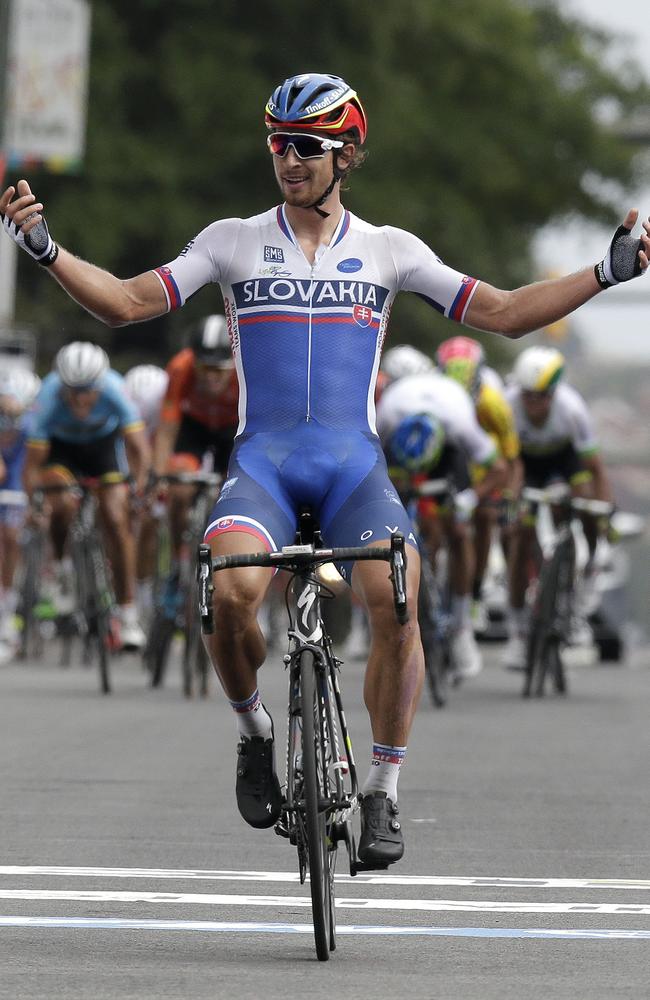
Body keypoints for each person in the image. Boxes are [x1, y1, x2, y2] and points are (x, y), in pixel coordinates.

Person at [1, 72, 647, 866]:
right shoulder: (231, 240)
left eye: (306, 146)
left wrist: (605, 273)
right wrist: (46, 250)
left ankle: (383, 790)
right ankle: (253, 732)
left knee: (400, 597)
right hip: (263, 468)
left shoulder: (389, 251)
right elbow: (128, 304)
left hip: (353, 472)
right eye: (277, 144)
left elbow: (506, 313)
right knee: (229, 591)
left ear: (348, 154)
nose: (289, 160)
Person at [376, 368, 507, 679]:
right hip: (401, 448)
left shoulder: (459, 425)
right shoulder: (386, 420)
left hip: (447, 454)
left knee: (459, 532)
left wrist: (471, 498)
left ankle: (462, 626)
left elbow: (498, 469)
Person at [21, 342, 151, 650]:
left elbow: (139, 451)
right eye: (73, 392)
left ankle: (128, 614)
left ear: (100, 384)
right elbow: (32, 467)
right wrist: (35, 504)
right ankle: (62, 566)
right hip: (62, 451)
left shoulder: (116, 391)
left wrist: (138, 491)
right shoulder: (49, 397)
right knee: (60, 501)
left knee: (117, 520)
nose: (80, 400)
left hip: (103, 449)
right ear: (62, 386)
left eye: (87, 391)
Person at [502, 345, 614, 668]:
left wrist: (603, 512)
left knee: (585, 504)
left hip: (565, 462)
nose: (532, 403)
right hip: (525, 464)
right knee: (519, 535)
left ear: (553, 393)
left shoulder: (572, 410)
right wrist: (511, 501)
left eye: (540, 396)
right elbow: (510, 466)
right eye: (527, 395)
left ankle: (588, 570)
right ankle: (518, 632)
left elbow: (596, 468)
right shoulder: (509, 406)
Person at [435, 335, 521, 632]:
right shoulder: (435, 397)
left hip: (485, 467)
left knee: (486, 518)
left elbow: (511, 458)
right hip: (450, 462)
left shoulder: (493, 403)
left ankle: (474, 592)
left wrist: (507, 495)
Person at [152, 315, 238, 572]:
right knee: (179, 489)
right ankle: (177, 564)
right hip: (195, 427)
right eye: (204, 369)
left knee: (237, 492)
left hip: (232, 429)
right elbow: (167, 428)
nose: (211, 378)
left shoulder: (247, 368)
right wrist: (159, 474)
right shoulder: (180, 368)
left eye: (219, 370)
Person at [0, 368, 41, 664]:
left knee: (11, 537)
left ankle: (7, 612)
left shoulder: (34, 424)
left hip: (19, 475)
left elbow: (32, 469)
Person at [123, 363, 169, 619]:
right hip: (131, 461)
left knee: (155, 517)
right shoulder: (124, 411)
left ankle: (176, 573)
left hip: (161, 461)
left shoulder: (169, 411)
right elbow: (127, 451)